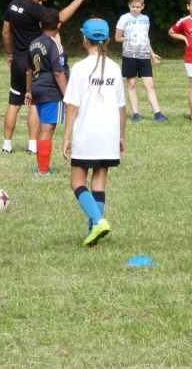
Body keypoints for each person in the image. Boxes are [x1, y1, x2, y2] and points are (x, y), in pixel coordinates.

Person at [2, 0, 90, 153]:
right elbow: (58, 19)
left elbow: (5, 33)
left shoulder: (13, 4)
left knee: (14, 103)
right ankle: (32, 146)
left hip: (18, 60)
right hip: (35, 60)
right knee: (34, 103)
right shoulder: (35, 9)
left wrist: (11, 54)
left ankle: (6, 145)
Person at [63, 18, 126, 247]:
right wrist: (121, 136)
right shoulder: (115, 68)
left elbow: (72, 107)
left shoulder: (79, 68)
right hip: (109, 133)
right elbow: (121, 107)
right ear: (107, 40)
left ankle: (98, 221)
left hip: (87, 133)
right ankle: (93, 231)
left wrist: (66, 136)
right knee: (99, 183)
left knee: (77, 182)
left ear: (84, 39)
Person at [25, 9, 68, 176]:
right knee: (47, 129)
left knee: (44, 128)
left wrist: (28, 90)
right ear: (59, 25)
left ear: (40, 24)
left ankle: (41, 167)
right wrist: (67, 95)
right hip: (51, 90)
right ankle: (43, 170)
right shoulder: (55, 45)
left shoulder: (33, 43)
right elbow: (58, 72)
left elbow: (29, 69)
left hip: (37, 87)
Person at [115, 0, 167, 122]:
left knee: (150, 84)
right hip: (129, 56)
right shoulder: (124, 18)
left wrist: (152, 54)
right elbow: (117, 38)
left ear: (142, 6)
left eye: (138, 7)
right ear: (129, 5)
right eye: (133, 6)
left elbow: (146, 38)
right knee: (132, 84)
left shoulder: (145, 19)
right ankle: (136, 114)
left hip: (144, 56)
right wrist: (129, 39)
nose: (135, 9)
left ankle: (158, 114)